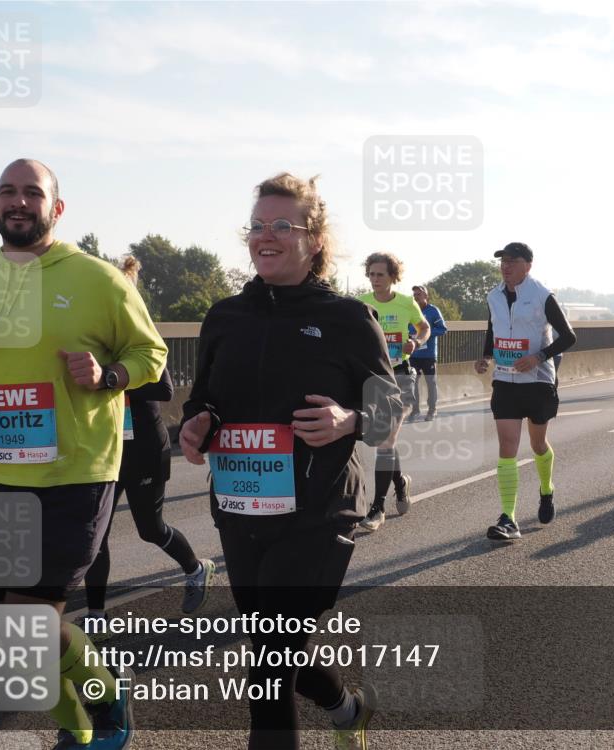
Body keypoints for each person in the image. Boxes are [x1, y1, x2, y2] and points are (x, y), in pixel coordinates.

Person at [0, 159, 166, 749]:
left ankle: (104, 697)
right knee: (13, 630)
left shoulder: (98, 279)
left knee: (30, 626)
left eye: (32, 193)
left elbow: (152, 353)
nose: (19, 202)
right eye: (7, 193)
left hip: (77, 473)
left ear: (56, 208)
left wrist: (108, 372)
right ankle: (77, 728)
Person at [178, 172, 400, 750]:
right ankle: (347, 709)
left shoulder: (348, 318)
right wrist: (197, 424)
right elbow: (203, 400)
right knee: (272, 649)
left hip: (318, 514)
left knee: (268, 670)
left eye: (282, 225)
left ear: (314, 240)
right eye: (256, 226)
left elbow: (390, 407)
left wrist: (349, 421)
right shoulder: (225, 317)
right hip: (240, 507)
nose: (265, 236)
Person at [80, 256, 214, 640]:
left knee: (149, 529)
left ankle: (195, 568)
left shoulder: (140, 335)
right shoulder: (88, 335)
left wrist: (110, 378)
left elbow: (164, 389)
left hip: (142, 447)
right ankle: (95, 613)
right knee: (96, 532)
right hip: (103, 447)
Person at [474, 242, 577, 542]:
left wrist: (539, 357)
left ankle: (546, 490)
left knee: (538, 444)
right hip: (505, 380)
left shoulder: (542, 296)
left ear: (528, 265)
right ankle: (509, 518)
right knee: (507, 446)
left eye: (512, 261)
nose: (505, 266)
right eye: (502, 261)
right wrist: (486, 356)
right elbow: (493, 329)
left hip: (538, 381)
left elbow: (569, 336)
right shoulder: (493, 295)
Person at [357, 252, 430, 532]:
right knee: (382, 440)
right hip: (373, 378)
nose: (375, 280)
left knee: (386, 443)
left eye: (381, 275)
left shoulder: (405, 303)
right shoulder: (362, 304)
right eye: (372, 274)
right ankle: (400, 482)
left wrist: (416, 341)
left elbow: (424, 327)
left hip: (400, 376)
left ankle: (376, 509)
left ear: (392, 277)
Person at [407, 285, 448, 421]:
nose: (416, 297)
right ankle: (415, 410)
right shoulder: (410, 311)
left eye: (419, 294)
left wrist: (425, 334)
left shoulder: (433, 311)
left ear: (426, 296)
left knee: (431, 383)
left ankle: (432, 410)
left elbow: (442, 329)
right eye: (414, 294)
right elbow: (404, 328)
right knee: (413, 383)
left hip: (429, 355)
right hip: (413, 354)